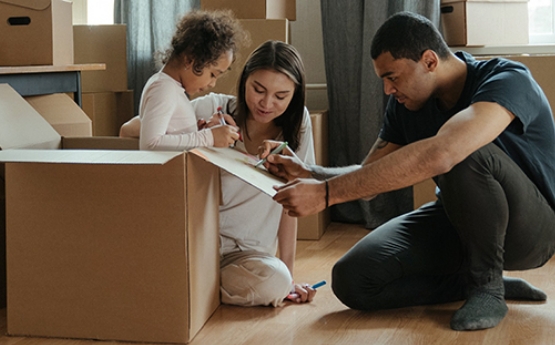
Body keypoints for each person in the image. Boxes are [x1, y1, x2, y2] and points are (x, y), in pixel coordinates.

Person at [261, 11, 555, 330]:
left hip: (534, 231)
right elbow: (370, 176)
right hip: (460, 221)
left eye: (393, 77)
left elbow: (445, 152)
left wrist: (326, 194)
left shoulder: (507, 79)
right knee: (352, 279)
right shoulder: (405, 105)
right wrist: (310, 174)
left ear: (429, 61)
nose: (388, 90)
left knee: (463, 151)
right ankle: (471, 282)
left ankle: (488, 287)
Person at [121, 40, 318, 307]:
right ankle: (194, 286)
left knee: (276, 282)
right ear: (244, 80)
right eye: (258, 90)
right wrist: (200, 134)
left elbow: (291, 204)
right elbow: (129, 130)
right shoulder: (213, 107)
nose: (266, 103)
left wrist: (290, 277)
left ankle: (192, 288)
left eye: (281, 96)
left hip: (247, 256)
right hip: (197, 244)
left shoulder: (298, 127)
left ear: (295, 95)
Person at [124, 9, 247, 151]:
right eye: (213, 74)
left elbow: (170, 137)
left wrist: (196, 133)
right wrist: (208, 137)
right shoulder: (163, 88)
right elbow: (150, 144)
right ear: (190, 60)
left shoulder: (172, 88)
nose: (212, 84)